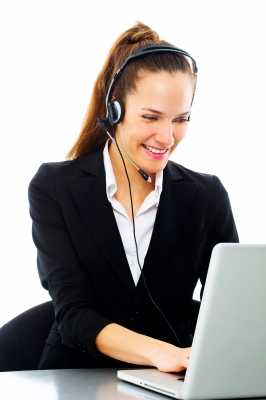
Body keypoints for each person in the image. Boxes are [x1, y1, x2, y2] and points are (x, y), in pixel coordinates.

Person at [28, 22, 239, 372]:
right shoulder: (55, 186)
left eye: (181, 119)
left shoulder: (207, 196)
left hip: (173, 384)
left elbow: (231, 310)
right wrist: (162, 353)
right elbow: (73, 314)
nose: (168, 137)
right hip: (77, 377)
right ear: (116, 110)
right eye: (151, 117)